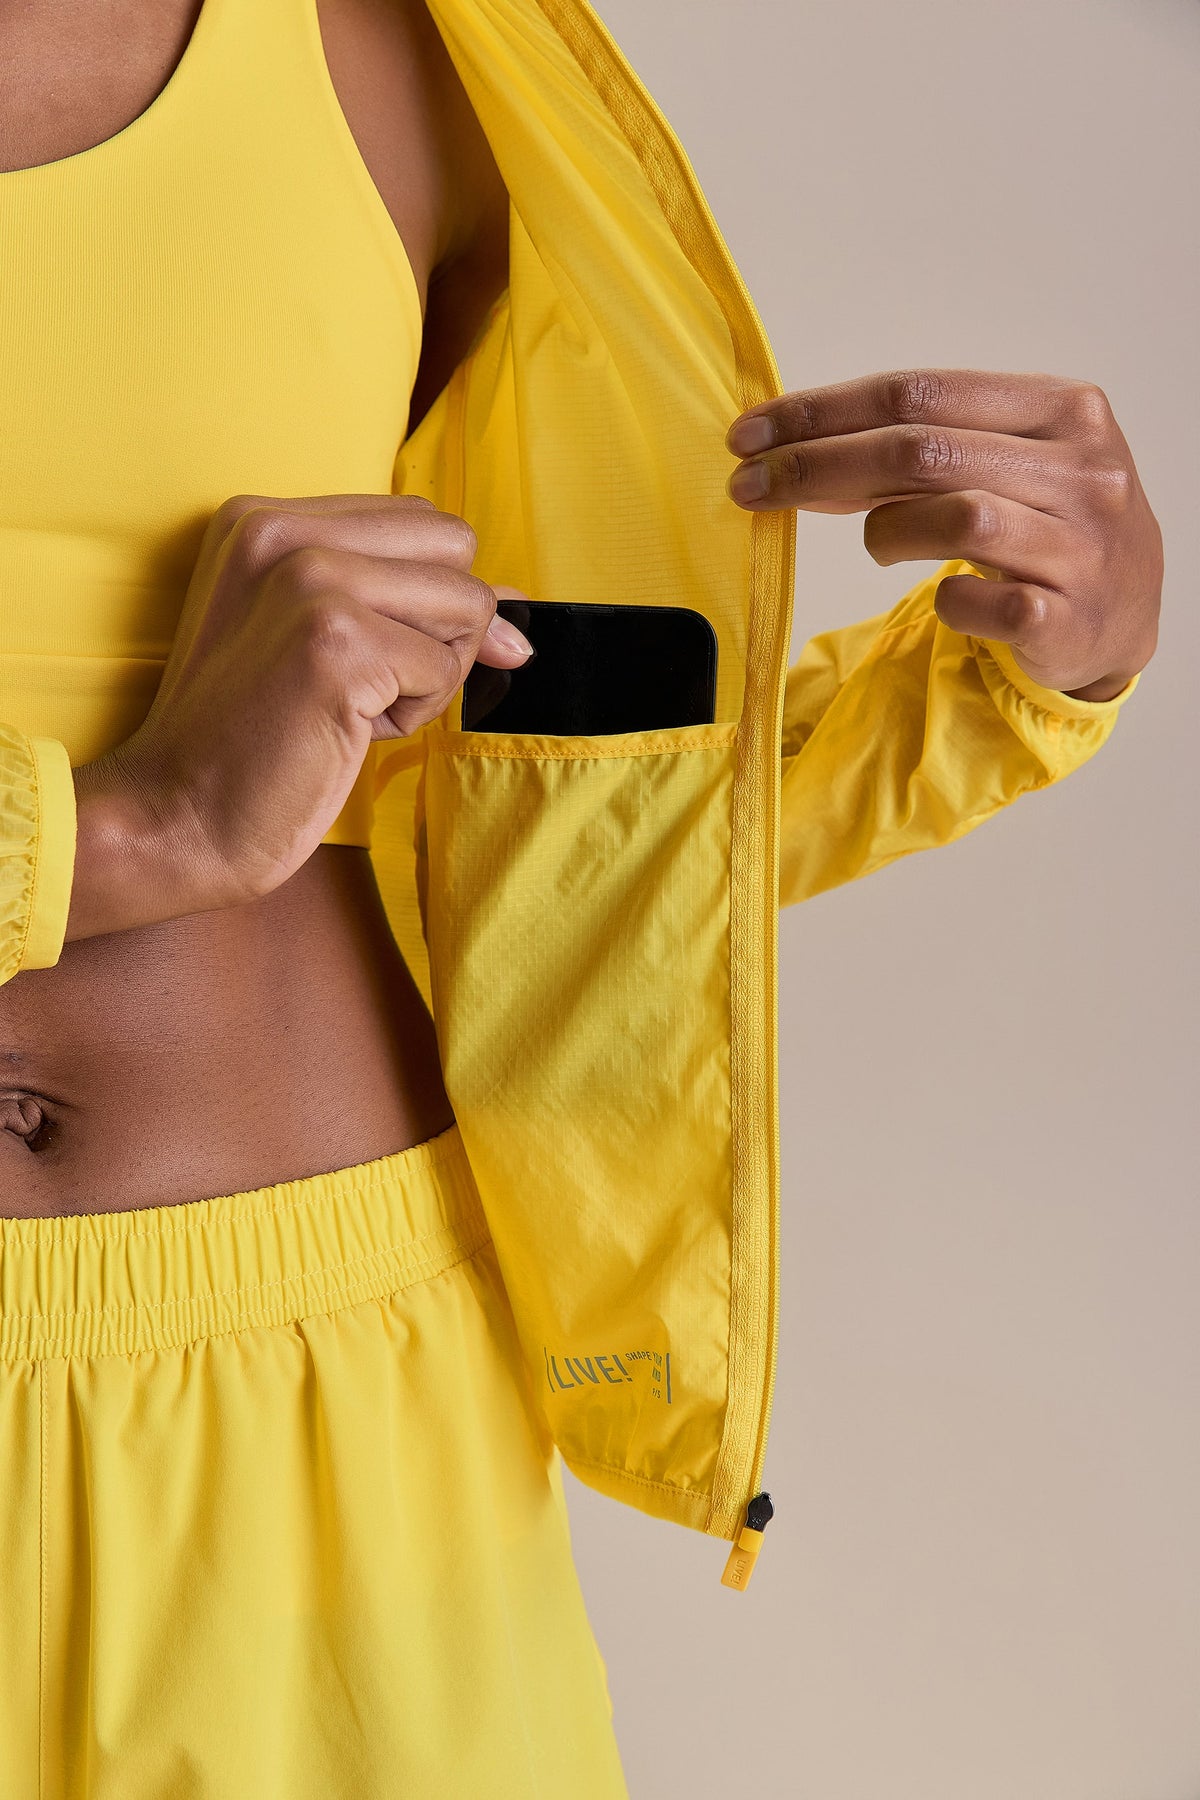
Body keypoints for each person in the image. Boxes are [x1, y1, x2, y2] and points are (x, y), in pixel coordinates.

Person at [0, 0, 1161, 1793]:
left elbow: (521, 810)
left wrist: (1007, 682)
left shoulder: (376, 53)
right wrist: (115, 840)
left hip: (324, 1416)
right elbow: (204, 811)